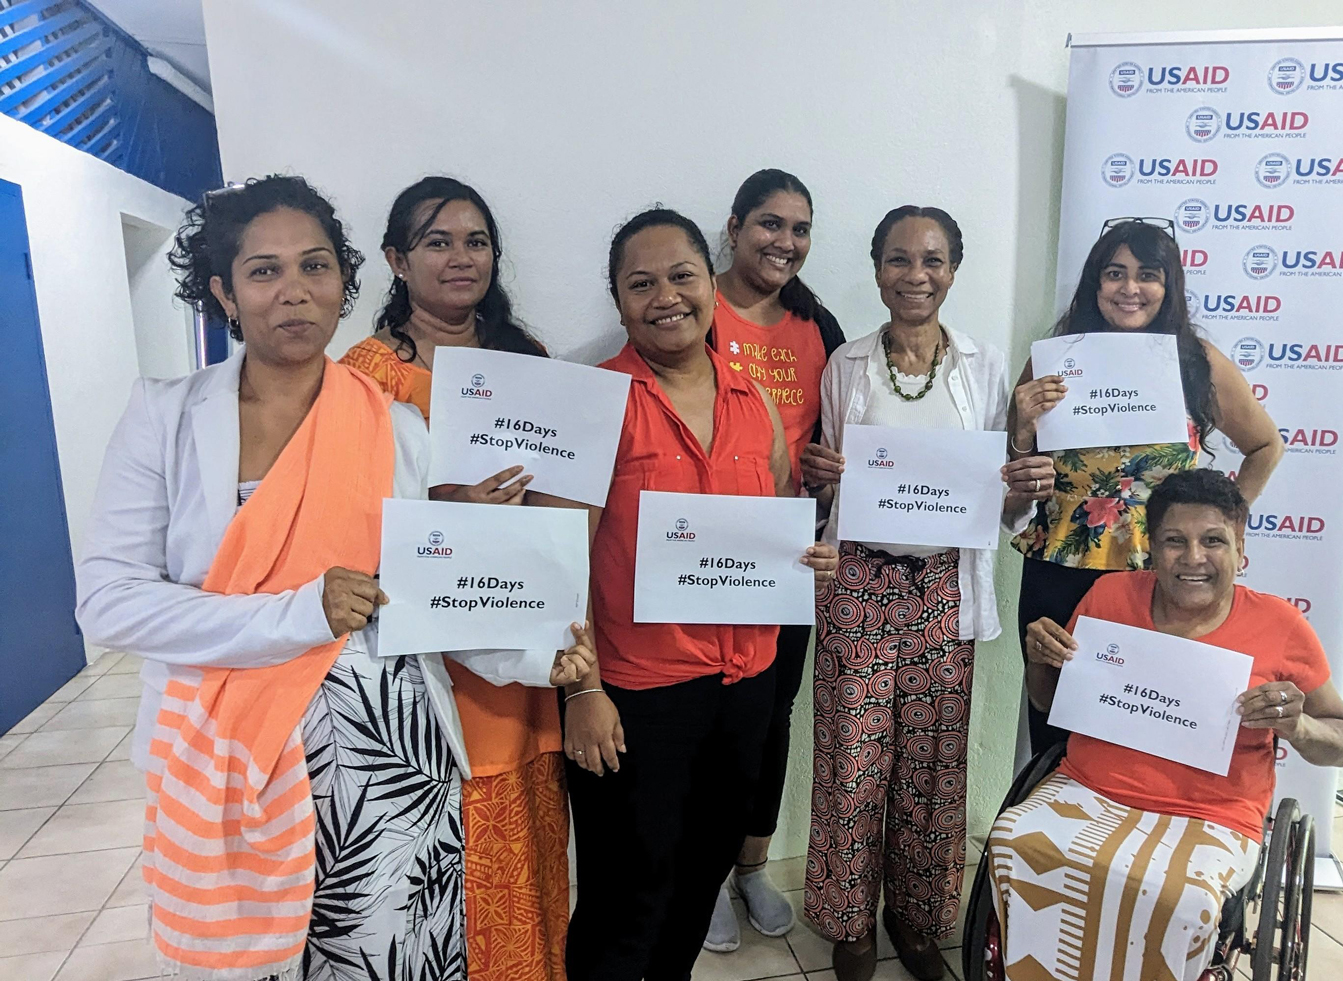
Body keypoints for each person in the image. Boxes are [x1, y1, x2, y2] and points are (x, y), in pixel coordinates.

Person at [72, 175, 593, 981]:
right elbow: (108, 602)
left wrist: (531, 658)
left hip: (393, 751)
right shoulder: (166, 417)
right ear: (223, 290)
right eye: (264, 270)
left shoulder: (394, 425)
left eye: (316, 267)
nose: (294, 292)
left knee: (395, 958)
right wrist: (298, 614)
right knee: (261, 962)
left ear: (345, 282)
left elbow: (428, 590)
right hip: (232, 748)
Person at [563, 207, 839, 981]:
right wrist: (582, 686)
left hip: (743, 688)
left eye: (681, 276)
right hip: (634, 695)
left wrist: (803, 558)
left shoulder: (754, 403)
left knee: (696, 879)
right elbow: (556, 562)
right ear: (618, 300)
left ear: (709, 285)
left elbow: (781, 522)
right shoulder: (594, 401)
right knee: (627, 896)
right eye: (640, 283)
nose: (665, 297)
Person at [797, 206, 1051, 981]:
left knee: (933, 765)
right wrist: (818, 474)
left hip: (942, 587)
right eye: (899, 260)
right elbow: (823, 486)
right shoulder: (845, 363)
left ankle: (917, 920)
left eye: (933, 261)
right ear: (876, 269)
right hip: (857, 586)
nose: (916, 276)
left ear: (954, 269)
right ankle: (849, 926)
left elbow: (1000, 499)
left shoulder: (982, 364)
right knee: (851, 761)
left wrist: (1022, 480)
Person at [339, 176, 572, 981]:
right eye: (437, 241)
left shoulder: (526, 361)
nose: (460, 257)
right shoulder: (365, 378)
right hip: (442, 648)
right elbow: (355, 522)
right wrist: (453, 504)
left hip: (529, 629)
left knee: (539, 828)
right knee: (464, 831)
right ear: (397, 259)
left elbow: (563, 492)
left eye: (476, 241)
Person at [997, 468, 1343, 981]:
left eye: (1213, 541)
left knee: (1181, 894)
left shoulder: (1281, 626)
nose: (1193, 558)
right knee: (1015, 837)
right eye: (1174, 541)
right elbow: (1048, 700)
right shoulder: (1109, 597)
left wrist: (1298, 725)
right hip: (1090, 786)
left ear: (1239, 546)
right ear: (1151, 546)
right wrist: (1038, 659)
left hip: (1213, 810)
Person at [1008, 219, 1284, 757]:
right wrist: (1020, 430)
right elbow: (1010, 476)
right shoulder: (1056, 358)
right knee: (1055, 722)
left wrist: (1221, 526)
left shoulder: (1196, 363)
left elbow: (1265, 446)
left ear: (1169, 285)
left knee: (1142, 724)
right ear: (1095, 283)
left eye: (1147, 275)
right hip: (1057, 571)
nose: (1130, 288)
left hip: (1156, 577)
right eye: (1115, 273)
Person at [705, 168, 847, 951]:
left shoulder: (814, 323)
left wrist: (832, 463)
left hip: (788, 548)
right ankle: (703, 871)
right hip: (699, 544)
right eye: (768, 224)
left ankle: (751, 865)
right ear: (732, 226)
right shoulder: (696, 302)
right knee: (705, 711)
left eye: (798, 229)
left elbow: (835, 426)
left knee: (771, 715)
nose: (783, 242)